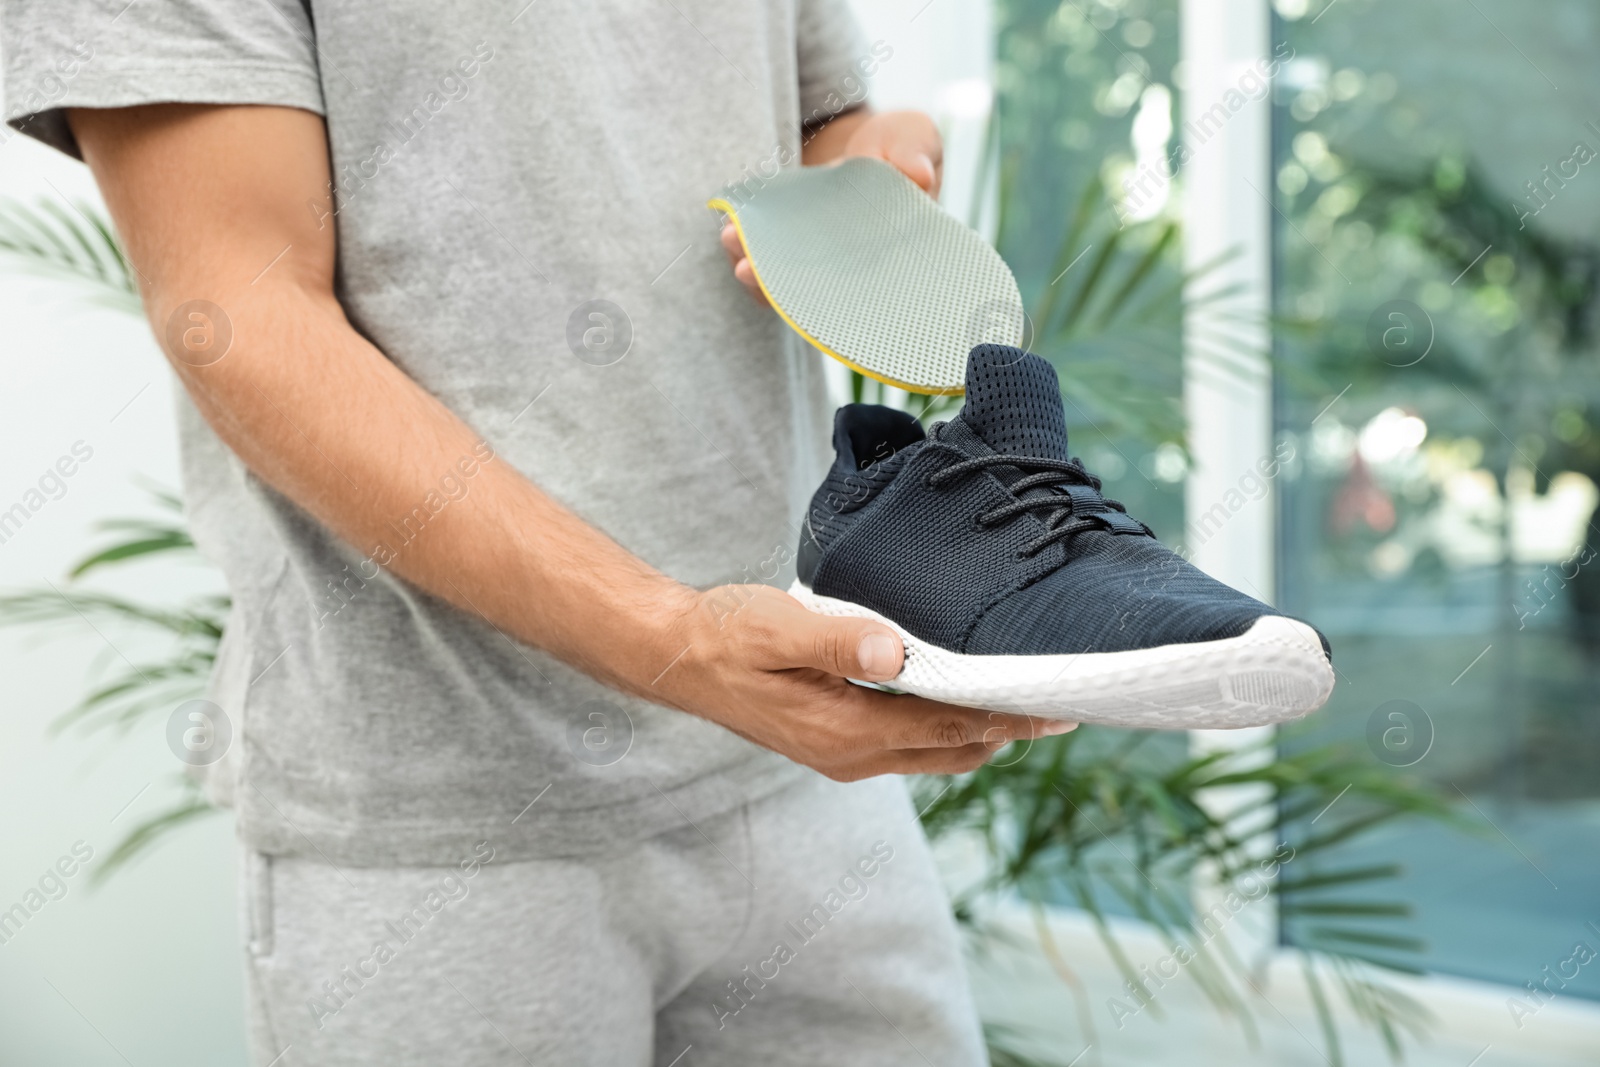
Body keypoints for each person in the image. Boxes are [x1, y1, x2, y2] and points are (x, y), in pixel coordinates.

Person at [3, 2, 1069, 1064]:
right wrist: (672, 636)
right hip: (444, 830)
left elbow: (822, 121)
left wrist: (868, 172)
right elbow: (240, 313)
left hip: (800, 771)